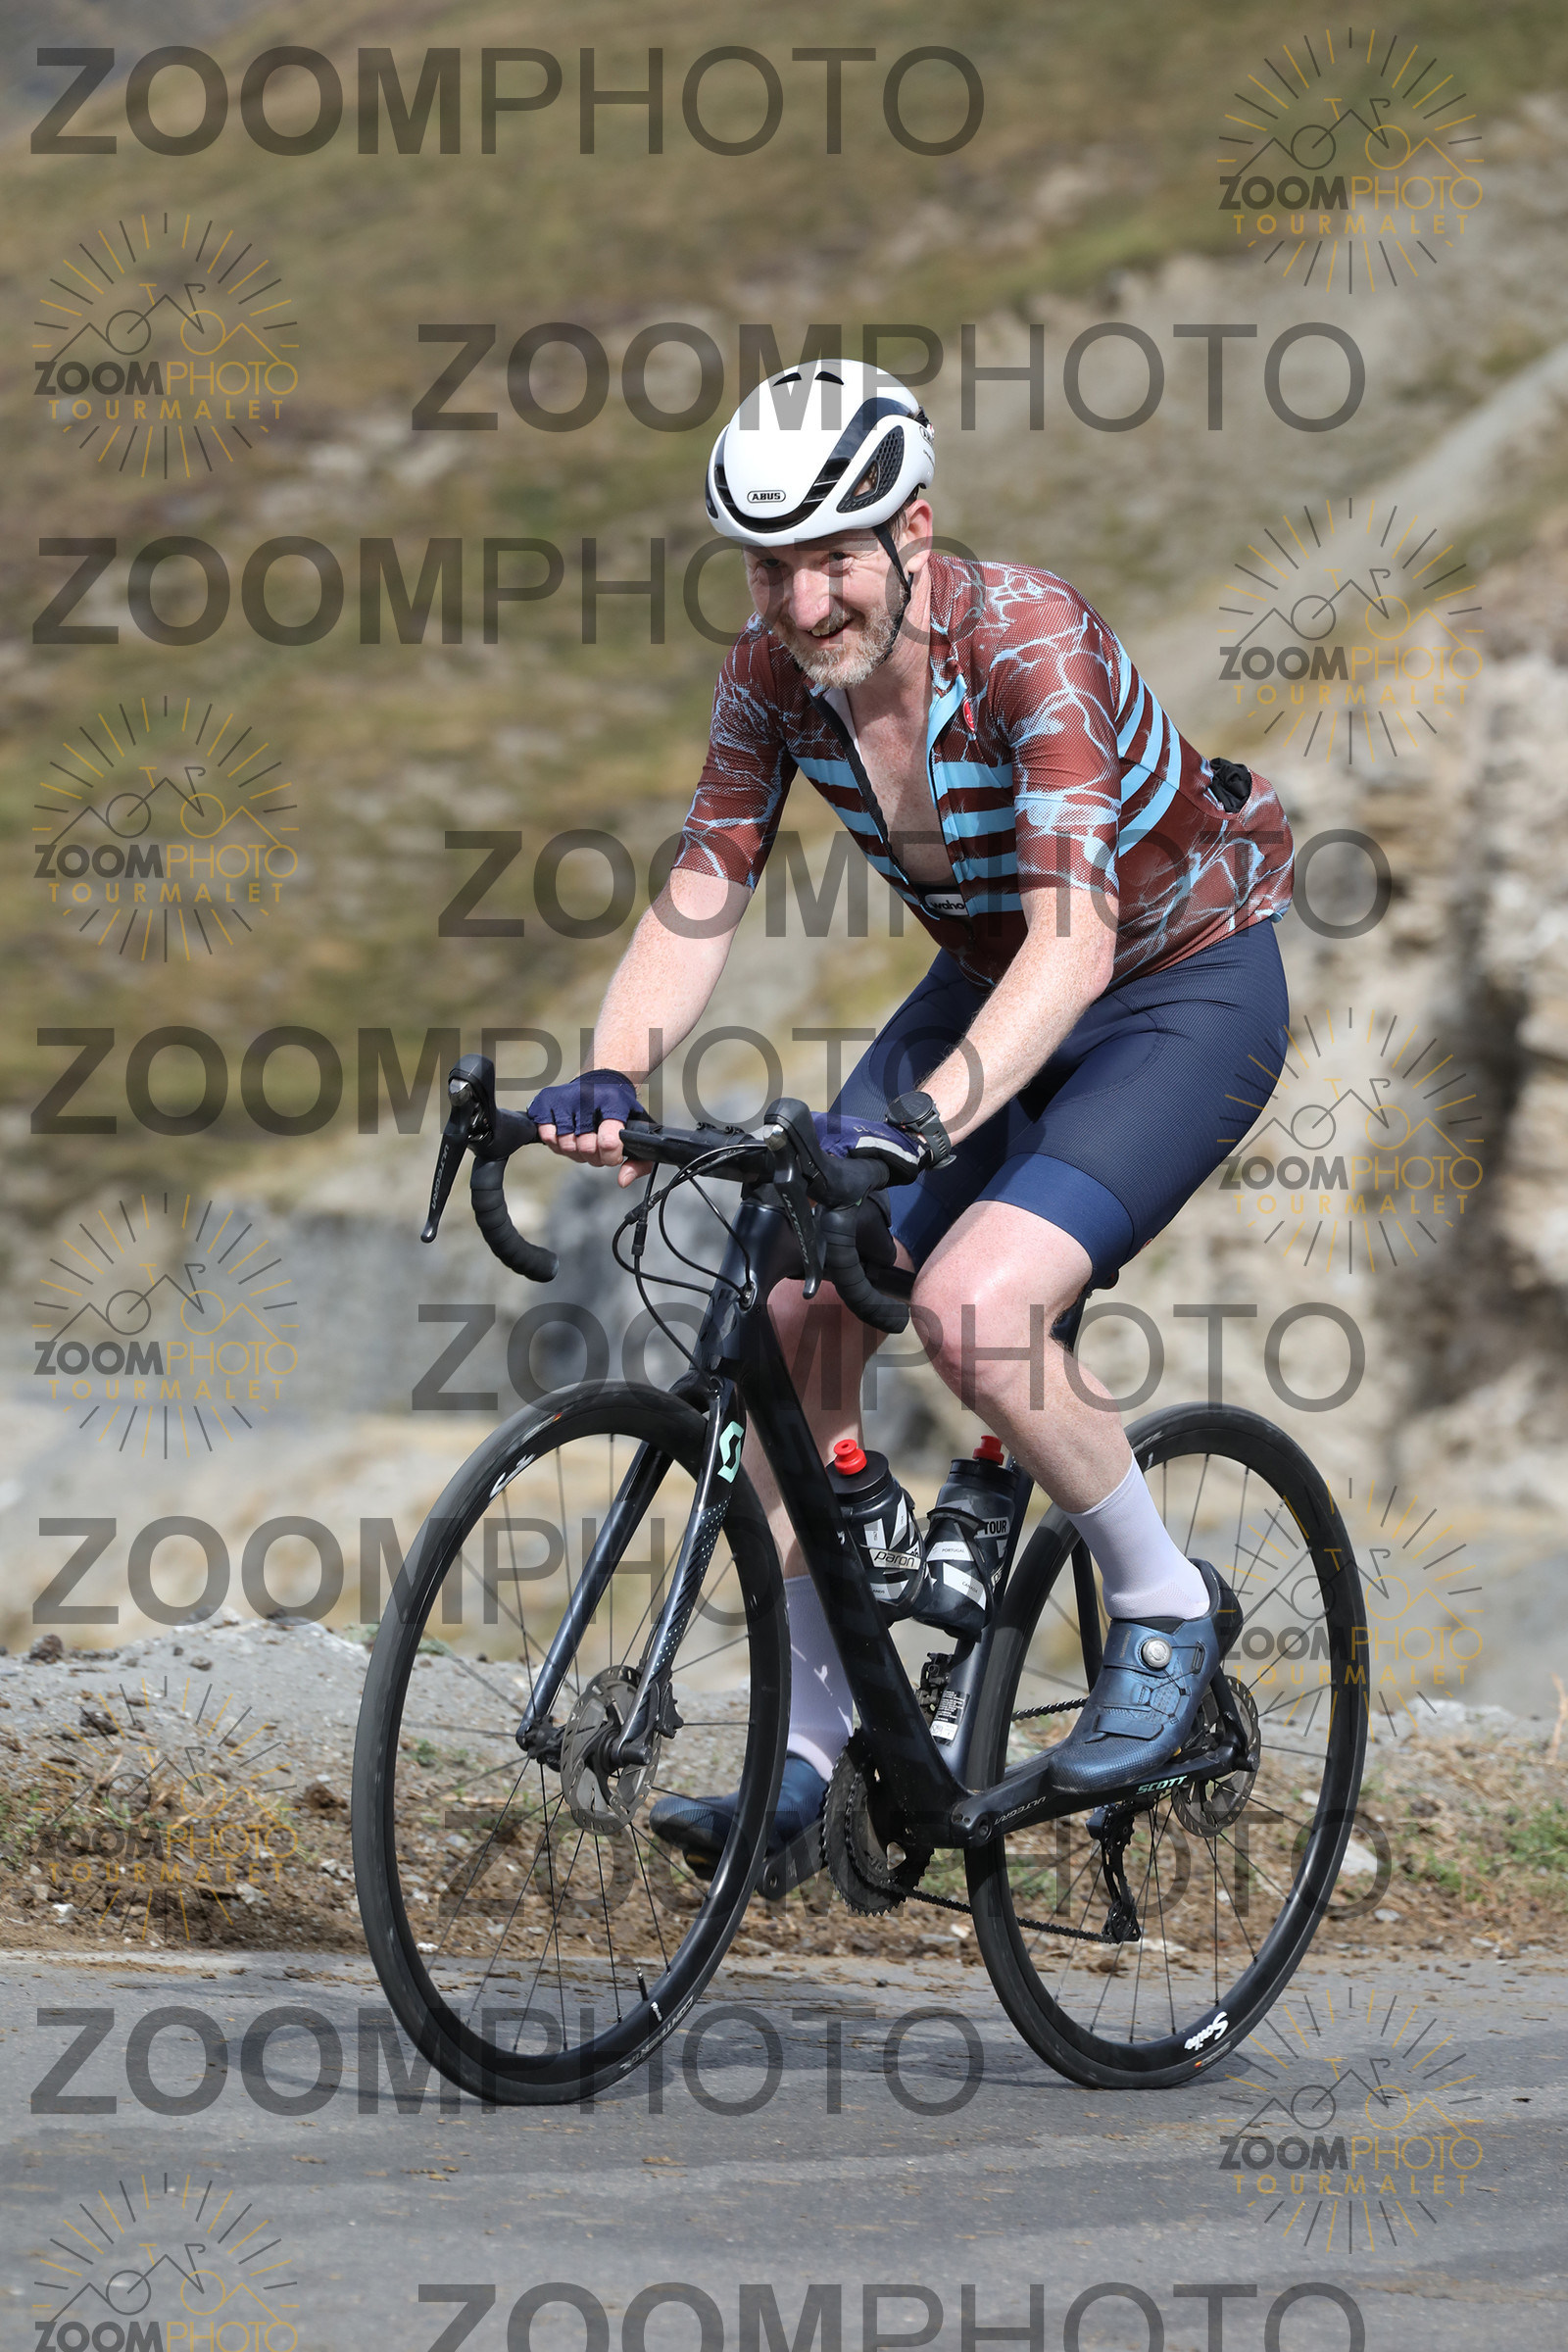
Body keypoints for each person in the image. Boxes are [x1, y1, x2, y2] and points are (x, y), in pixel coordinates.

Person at [527, 358, 1292, 1858]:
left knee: (976, 1309)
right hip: (995, 982)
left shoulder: (1030, 646)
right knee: (795, 1309)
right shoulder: (771, 674)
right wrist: (614, 1070)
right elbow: (706, 881)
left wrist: (921, 1124)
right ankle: (816, 1744)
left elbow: (1075, 944)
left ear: (914, 531)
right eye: (771, 569)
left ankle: (1162, 1604)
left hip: (1175, 989)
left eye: (834, 561)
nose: (804, 604)